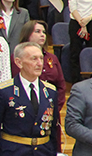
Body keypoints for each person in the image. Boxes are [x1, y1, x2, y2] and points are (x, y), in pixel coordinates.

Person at [13, 20, 65, 148]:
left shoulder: (52, 58)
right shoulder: (18, 58)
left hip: (49, 110)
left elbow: (61, 86)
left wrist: (52, 107)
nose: (42, 35)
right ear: (27, 34)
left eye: (44, 32)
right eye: (37, 31)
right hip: (25, 111)